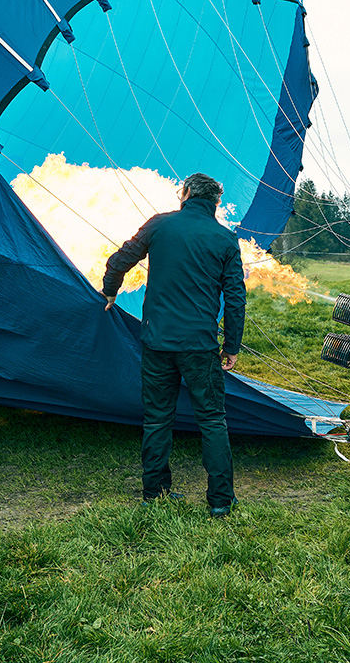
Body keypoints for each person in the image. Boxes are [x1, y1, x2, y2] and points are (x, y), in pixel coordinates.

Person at [102, 172, 245, 518]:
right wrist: (232, 344)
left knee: (157, 418)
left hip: (157, 341)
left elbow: (120, 260)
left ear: (185, 194)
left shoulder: (158, 225)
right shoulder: (226, 239)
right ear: (215, 203)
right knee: (212, 419)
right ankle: (220, 501)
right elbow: (235, 298)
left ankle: (154, 492)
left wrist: (110, 290)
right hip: (200, 345)